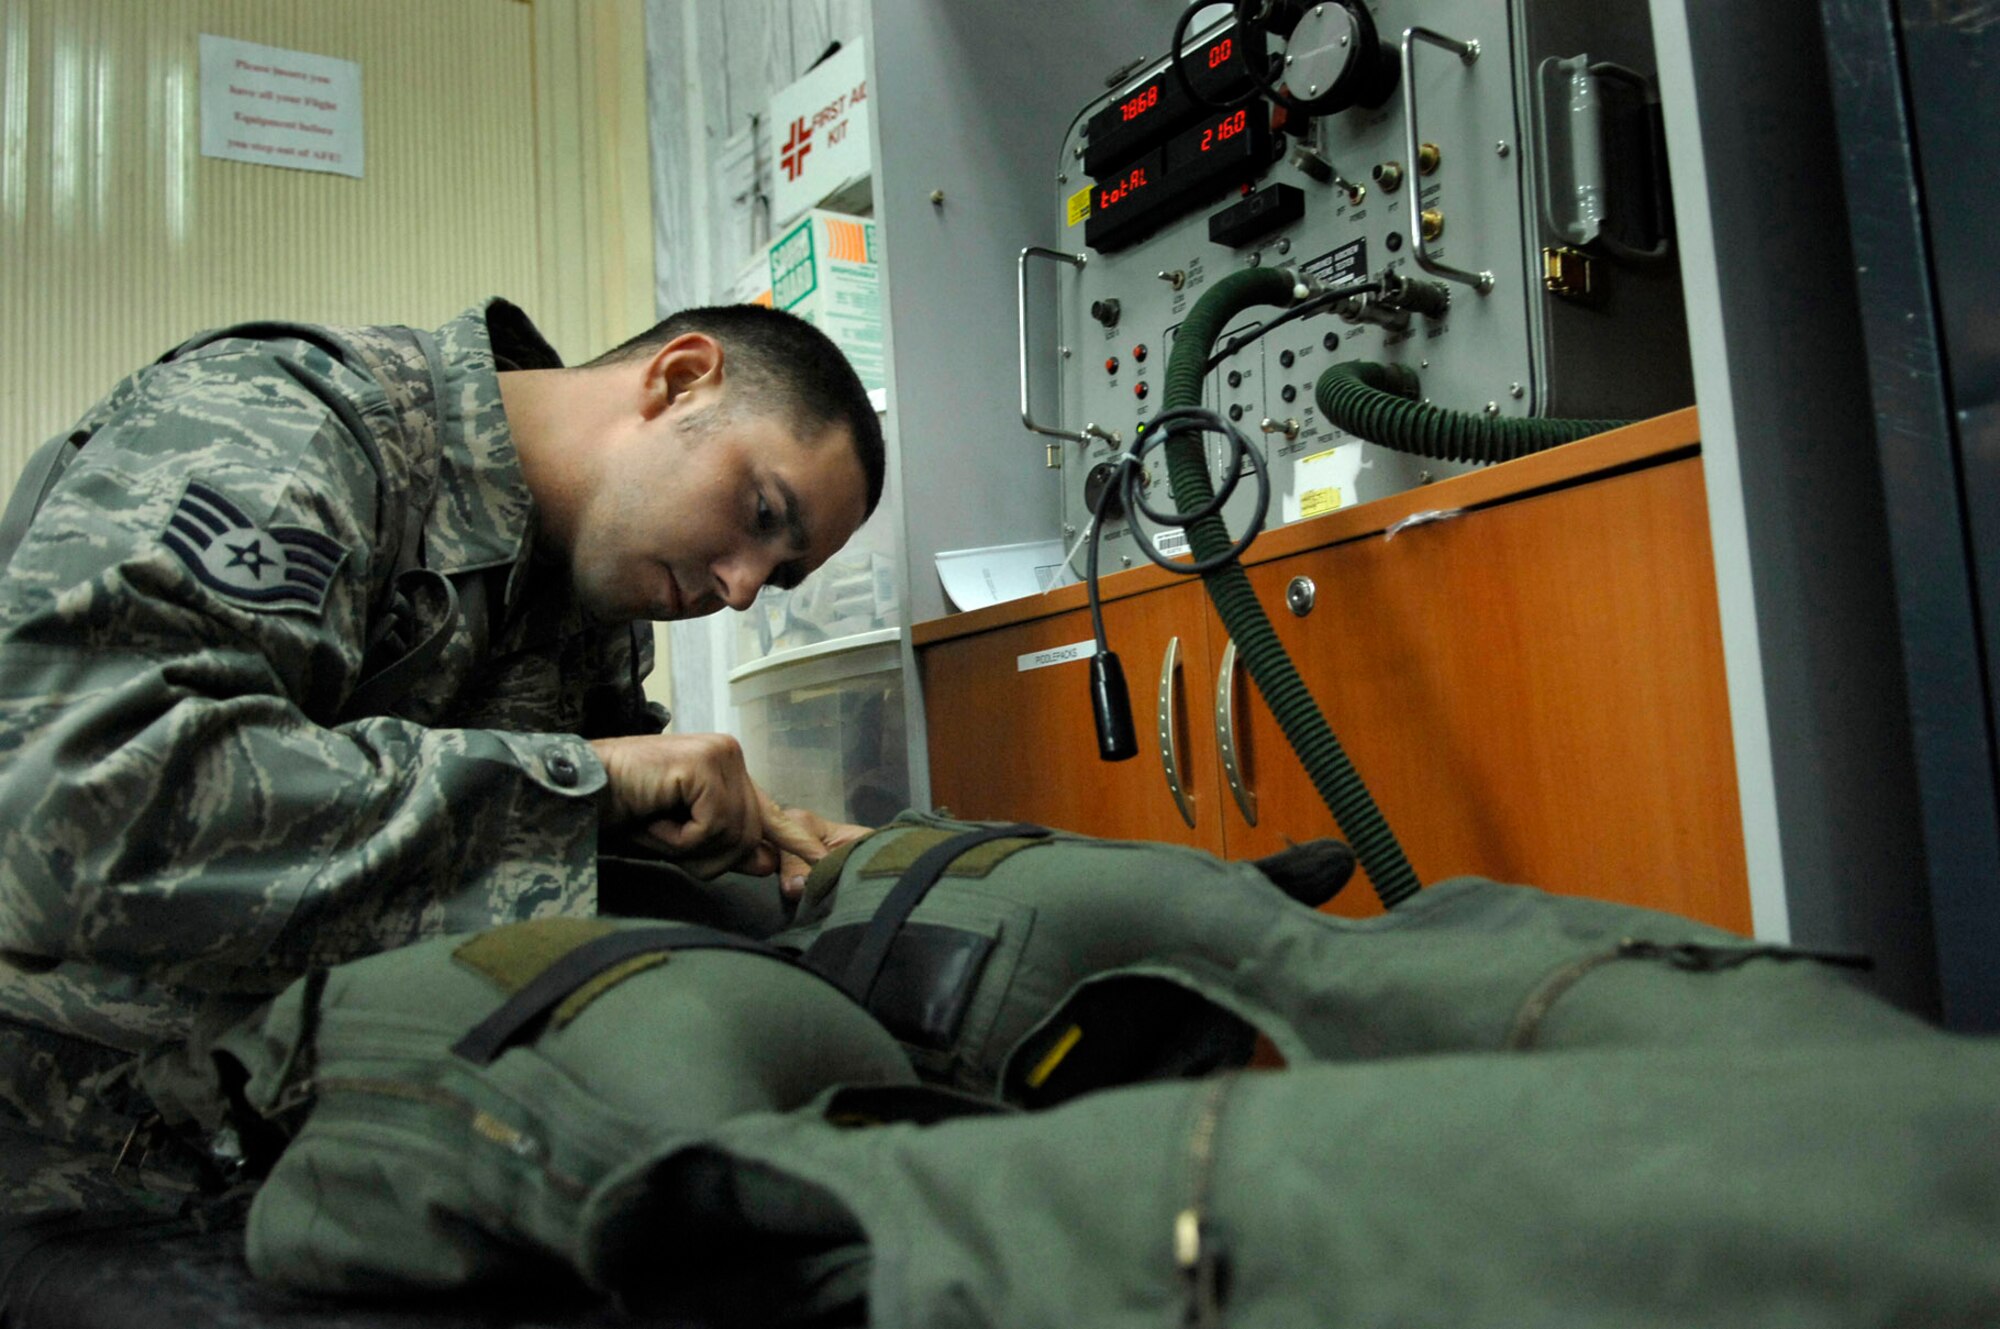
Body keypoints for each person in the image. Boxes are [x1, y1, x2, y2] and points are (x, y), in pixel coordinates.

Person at [0, 296, 883, 1205]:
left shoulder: (587, 597)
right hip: (88, 1120)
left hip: (326, 1098)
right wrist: (588, 785)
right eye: (761, 510)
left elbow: (509, 856)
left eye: (779, 575)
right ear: (680, 379)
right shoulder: (294, 427)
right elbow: (66, 808)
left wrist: (765, 849)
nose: (740, 589)